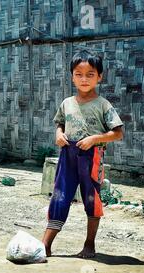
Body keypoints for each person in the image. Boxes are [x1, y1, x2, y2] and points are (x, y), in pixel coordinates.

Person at [42, 50, 124, 258]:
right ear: (72, 76)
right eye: (79, 74)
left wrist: (94, 139)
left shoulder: (104, 105)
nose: (84, 79)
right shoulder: (67, 103)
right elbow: (59, 123)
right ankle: (45, 245)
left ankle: (89, 245)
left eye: (90, 74)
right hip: (67, 155)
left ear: (100, 76)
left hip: (92, 157)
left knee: (91, 198)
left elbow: (118, 133)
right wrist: (59, 134)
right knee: (60, 196)